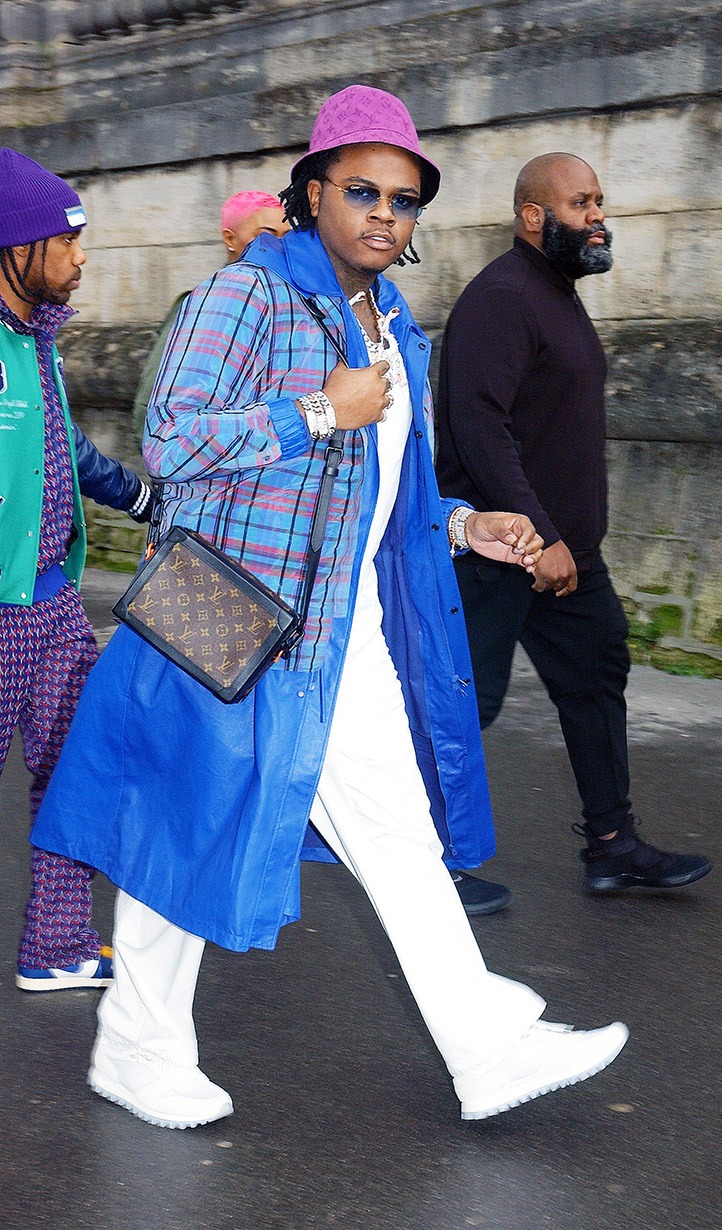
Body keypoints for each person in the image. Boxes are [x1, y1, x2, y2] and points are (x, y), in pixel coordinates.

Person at [31, 89, 628, 1130]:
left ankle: (476, 1041)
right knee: (191, 819)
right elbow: (171, 445)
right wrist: (315, 409)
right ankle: (140, 1044)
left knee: (384, 826)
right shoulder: (248, 297)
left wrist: (459, 524)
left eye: (402, 202)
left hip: (329, 628)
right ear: (312, 194)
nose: (383, 215)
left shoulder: (392, 323)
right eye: (361, 191)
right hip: (227, 612)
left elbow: (376, 484)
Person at [436, 152, 712, 894]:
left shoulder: (554, 292)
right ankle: (423, 865)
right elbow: (478, 426)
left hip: (567, 556)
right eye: (581, 203)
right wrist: (540, 533)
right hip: (498, 549)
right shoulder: (502, 298)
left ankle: (614, 845)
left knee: (595, 677)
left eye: (599, 202)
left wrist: (568, 542)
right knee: (462, 703)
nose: (598, 216)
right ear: (534, 216)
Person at [0, 148, 154, 990]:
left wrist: (143, 501)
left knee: (77, 770)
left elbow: (67, 454)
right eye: (68, 242)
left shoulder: (41, 341)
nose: (81, 256)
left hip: (55, 603)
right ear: (17, 250)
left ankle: (57, 946)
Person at [131, 191, 291, 440]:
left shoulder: (289, 303)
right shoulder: (203, 304)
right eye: (268, 234)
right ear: (230, 238)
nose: (279, 247)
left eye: (287, 237)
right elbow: (151, 405)